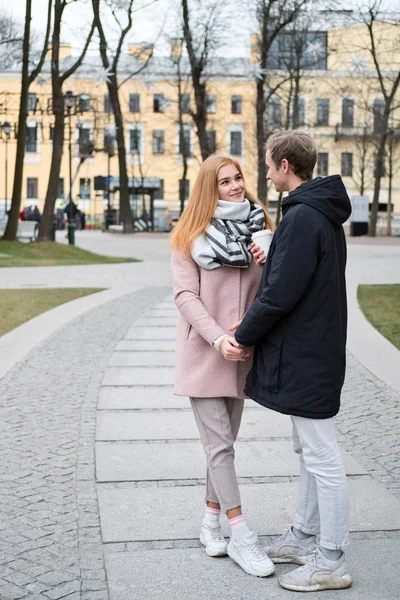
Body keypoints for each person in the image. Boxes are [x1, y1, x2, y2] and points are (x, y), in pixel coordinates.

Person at [231, 130, 353, 592]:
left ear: (285, 165)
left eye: (267, 163)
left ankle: (331, 560)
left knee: (321, 455)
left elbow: (281, 292)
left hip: (309, 352)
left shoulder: (304, 215)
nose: (263, 172)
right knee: (309, 451)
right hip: (311, 349)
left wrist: (242, 335)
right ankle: (303, 537)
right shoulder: (313, 212)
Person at [170, 155, 275, 578]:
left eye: (238, 178)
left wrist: (269, 255)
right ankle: (242, 537)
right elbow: (185, 296)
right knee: (221, 448)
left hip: (243, 355)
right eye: (224, 181)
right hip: (206, 353)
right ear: (208, 189)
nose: (234, 187)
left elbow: (271, 292)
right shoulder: (187, 236)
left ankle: (209, 523)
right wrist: (218, 337)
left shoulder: (260, 229)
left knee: (222, 448)